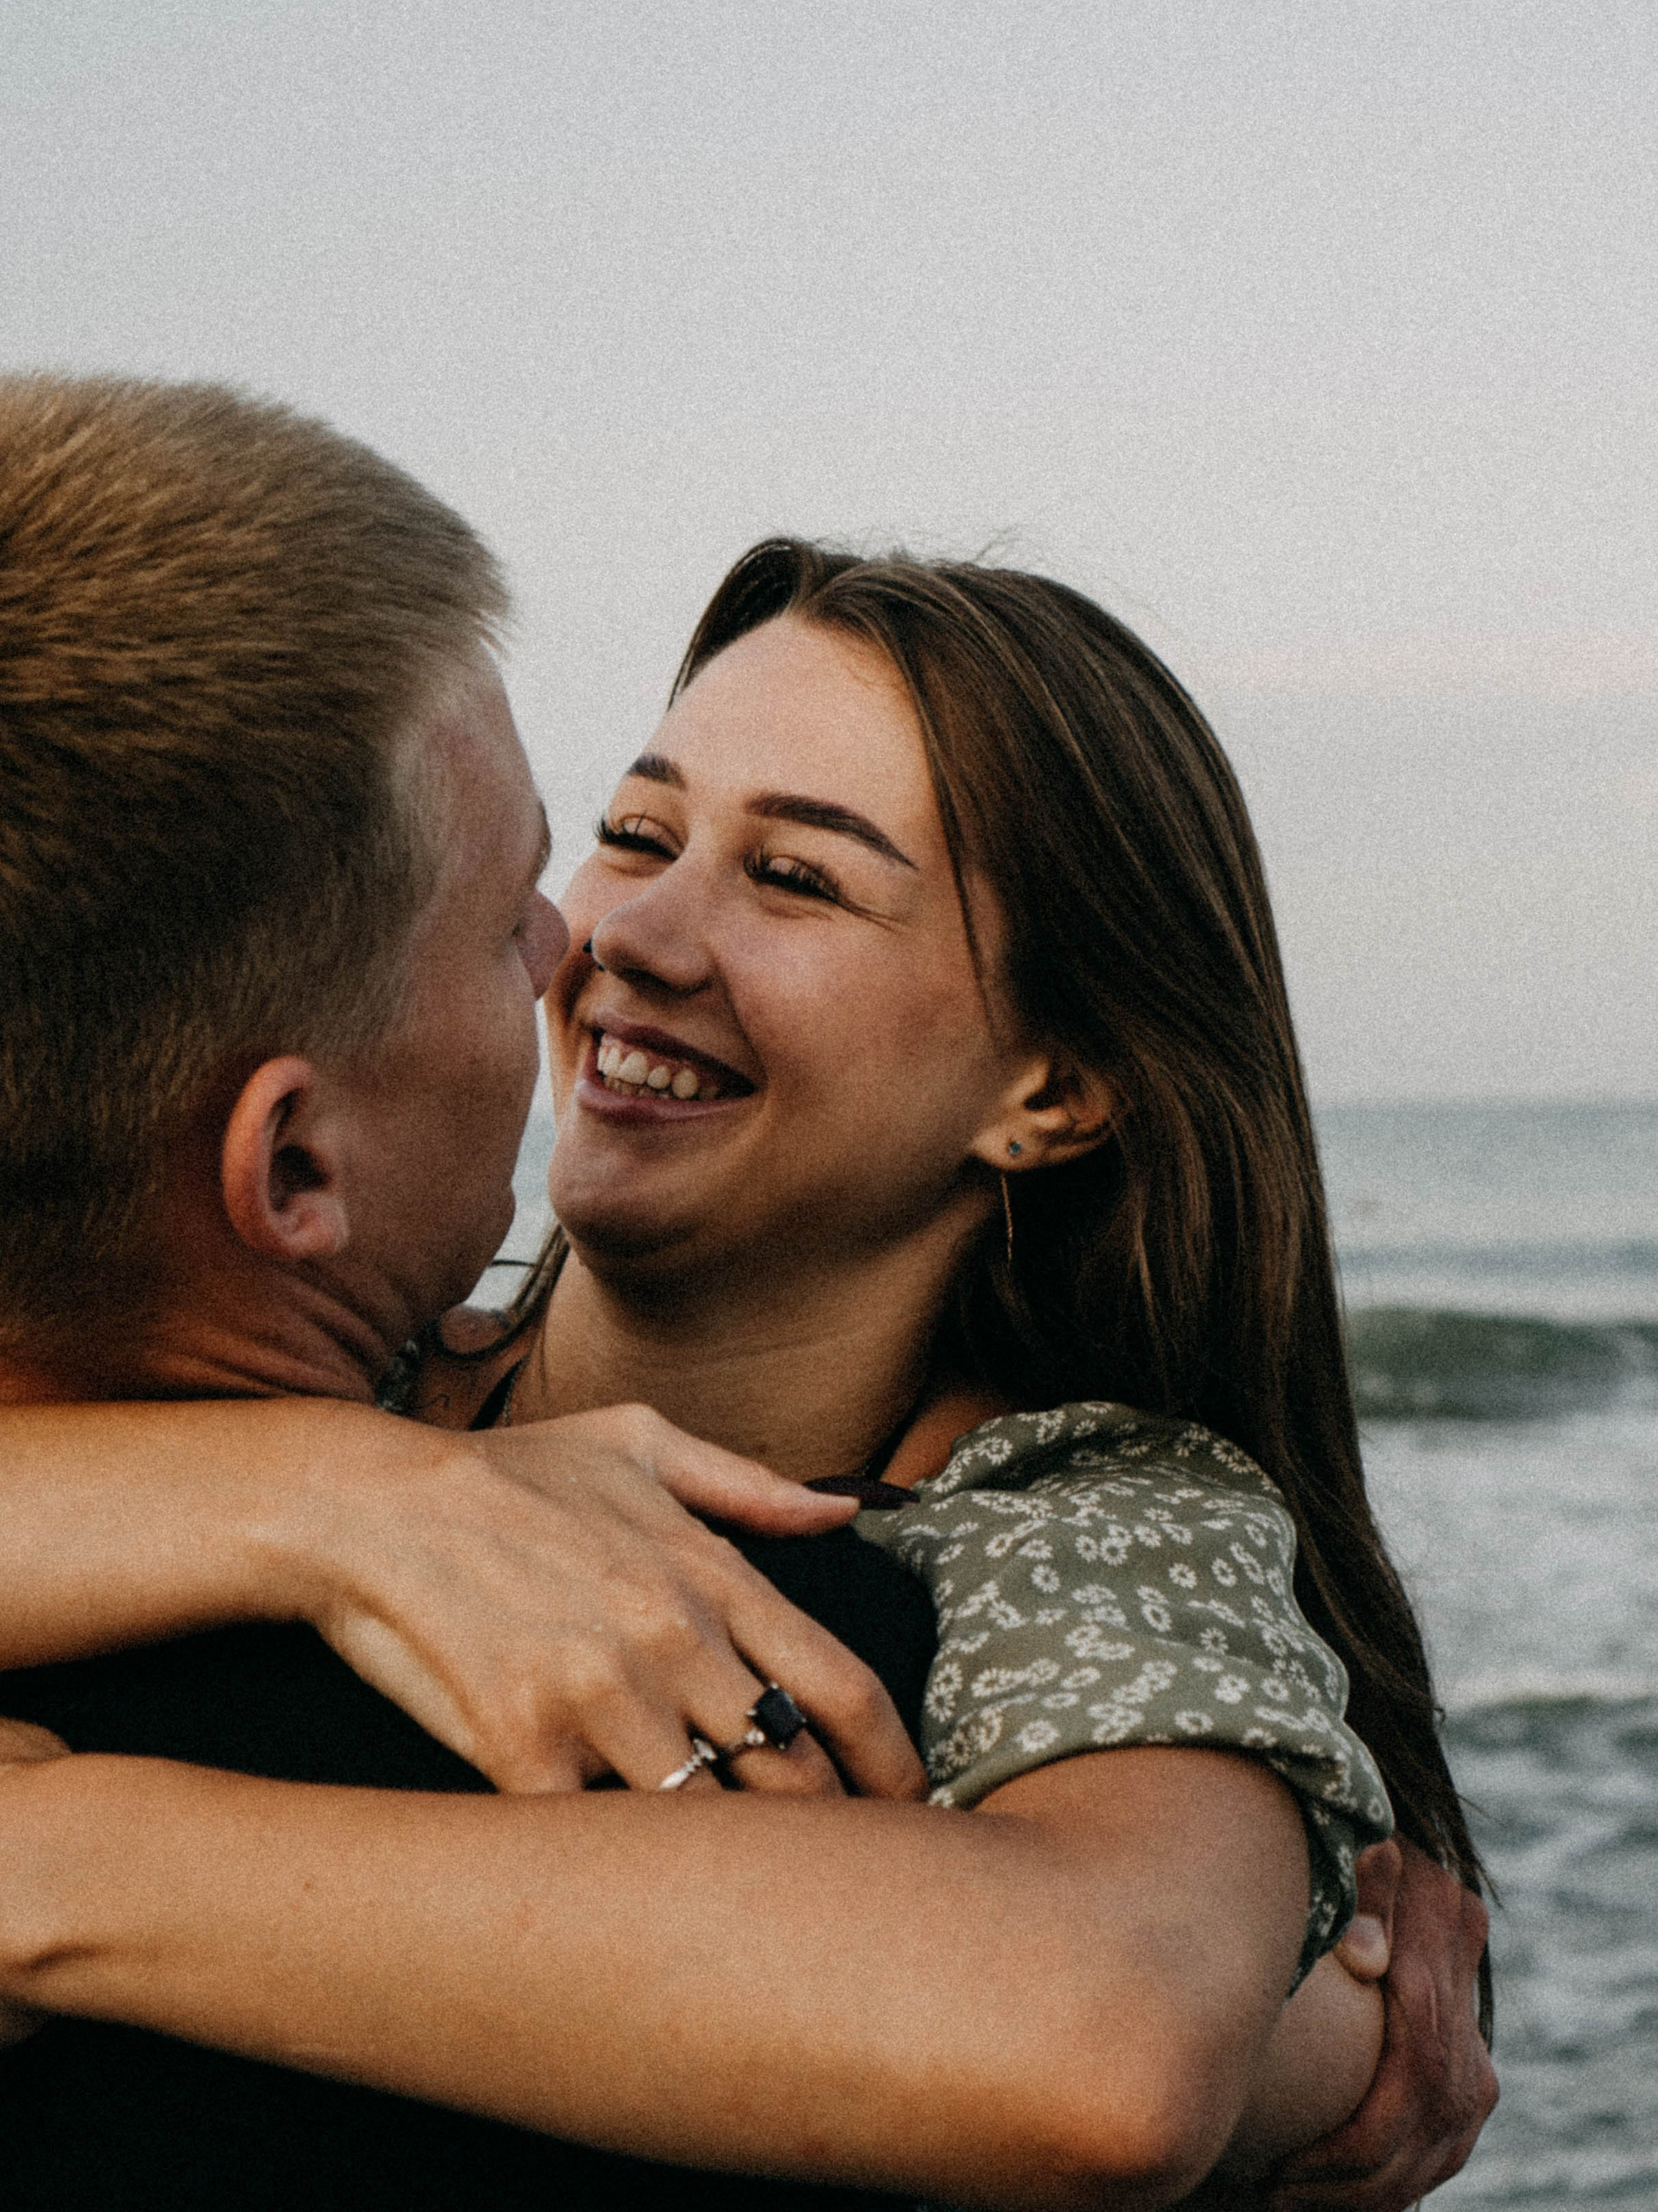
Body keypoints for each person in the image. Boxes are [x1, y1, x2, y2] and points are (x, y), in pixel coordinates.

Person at [0, 378, 1494, 2204]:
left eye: (793, 878)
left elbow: (1096, 2036)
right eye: (634, 834)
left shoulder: (1074, 1533)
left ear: (1055, 1089)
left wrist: (50, 1856)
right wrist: (344, 1500)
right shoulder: (292, 1356)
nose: (630, 935)